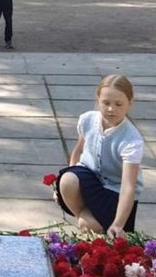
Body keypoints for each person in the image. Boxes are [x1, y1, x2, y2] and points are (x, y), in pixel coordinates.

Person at [53, 74, 143, 240]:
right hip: (90, 178)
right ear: (98, 100)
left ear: (130, 103)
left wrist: (118, 224)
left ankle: (92, 222)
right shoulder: (87, 120)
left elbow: (128, 187)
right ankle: (88, 217)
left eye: (118, 104)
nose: (111, 109)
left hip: (115, 191)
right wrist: (61, 186)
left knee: (88, 225)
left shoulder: (132, 140)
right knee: (66, 180)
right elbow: (78, 151)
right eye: (106, 103)